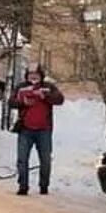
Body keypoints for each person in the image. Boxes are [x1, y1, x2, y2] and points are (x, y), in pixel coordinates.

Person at [9, 67, 65, 196]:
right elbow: (11, 102)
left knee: (45, 159)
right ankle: (23, 186)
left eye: (36, 74)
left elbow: (60, 99)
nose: (33, 77)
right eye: (31, 74)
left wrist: (45, 96)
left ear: (41, 75)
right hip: (25, 129)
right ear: (27, 76)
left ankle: (44, 186)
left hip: (44, 130)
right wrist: (22, 102)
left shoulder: (48, 87)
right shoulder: (21, 87)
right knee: (22, 159)